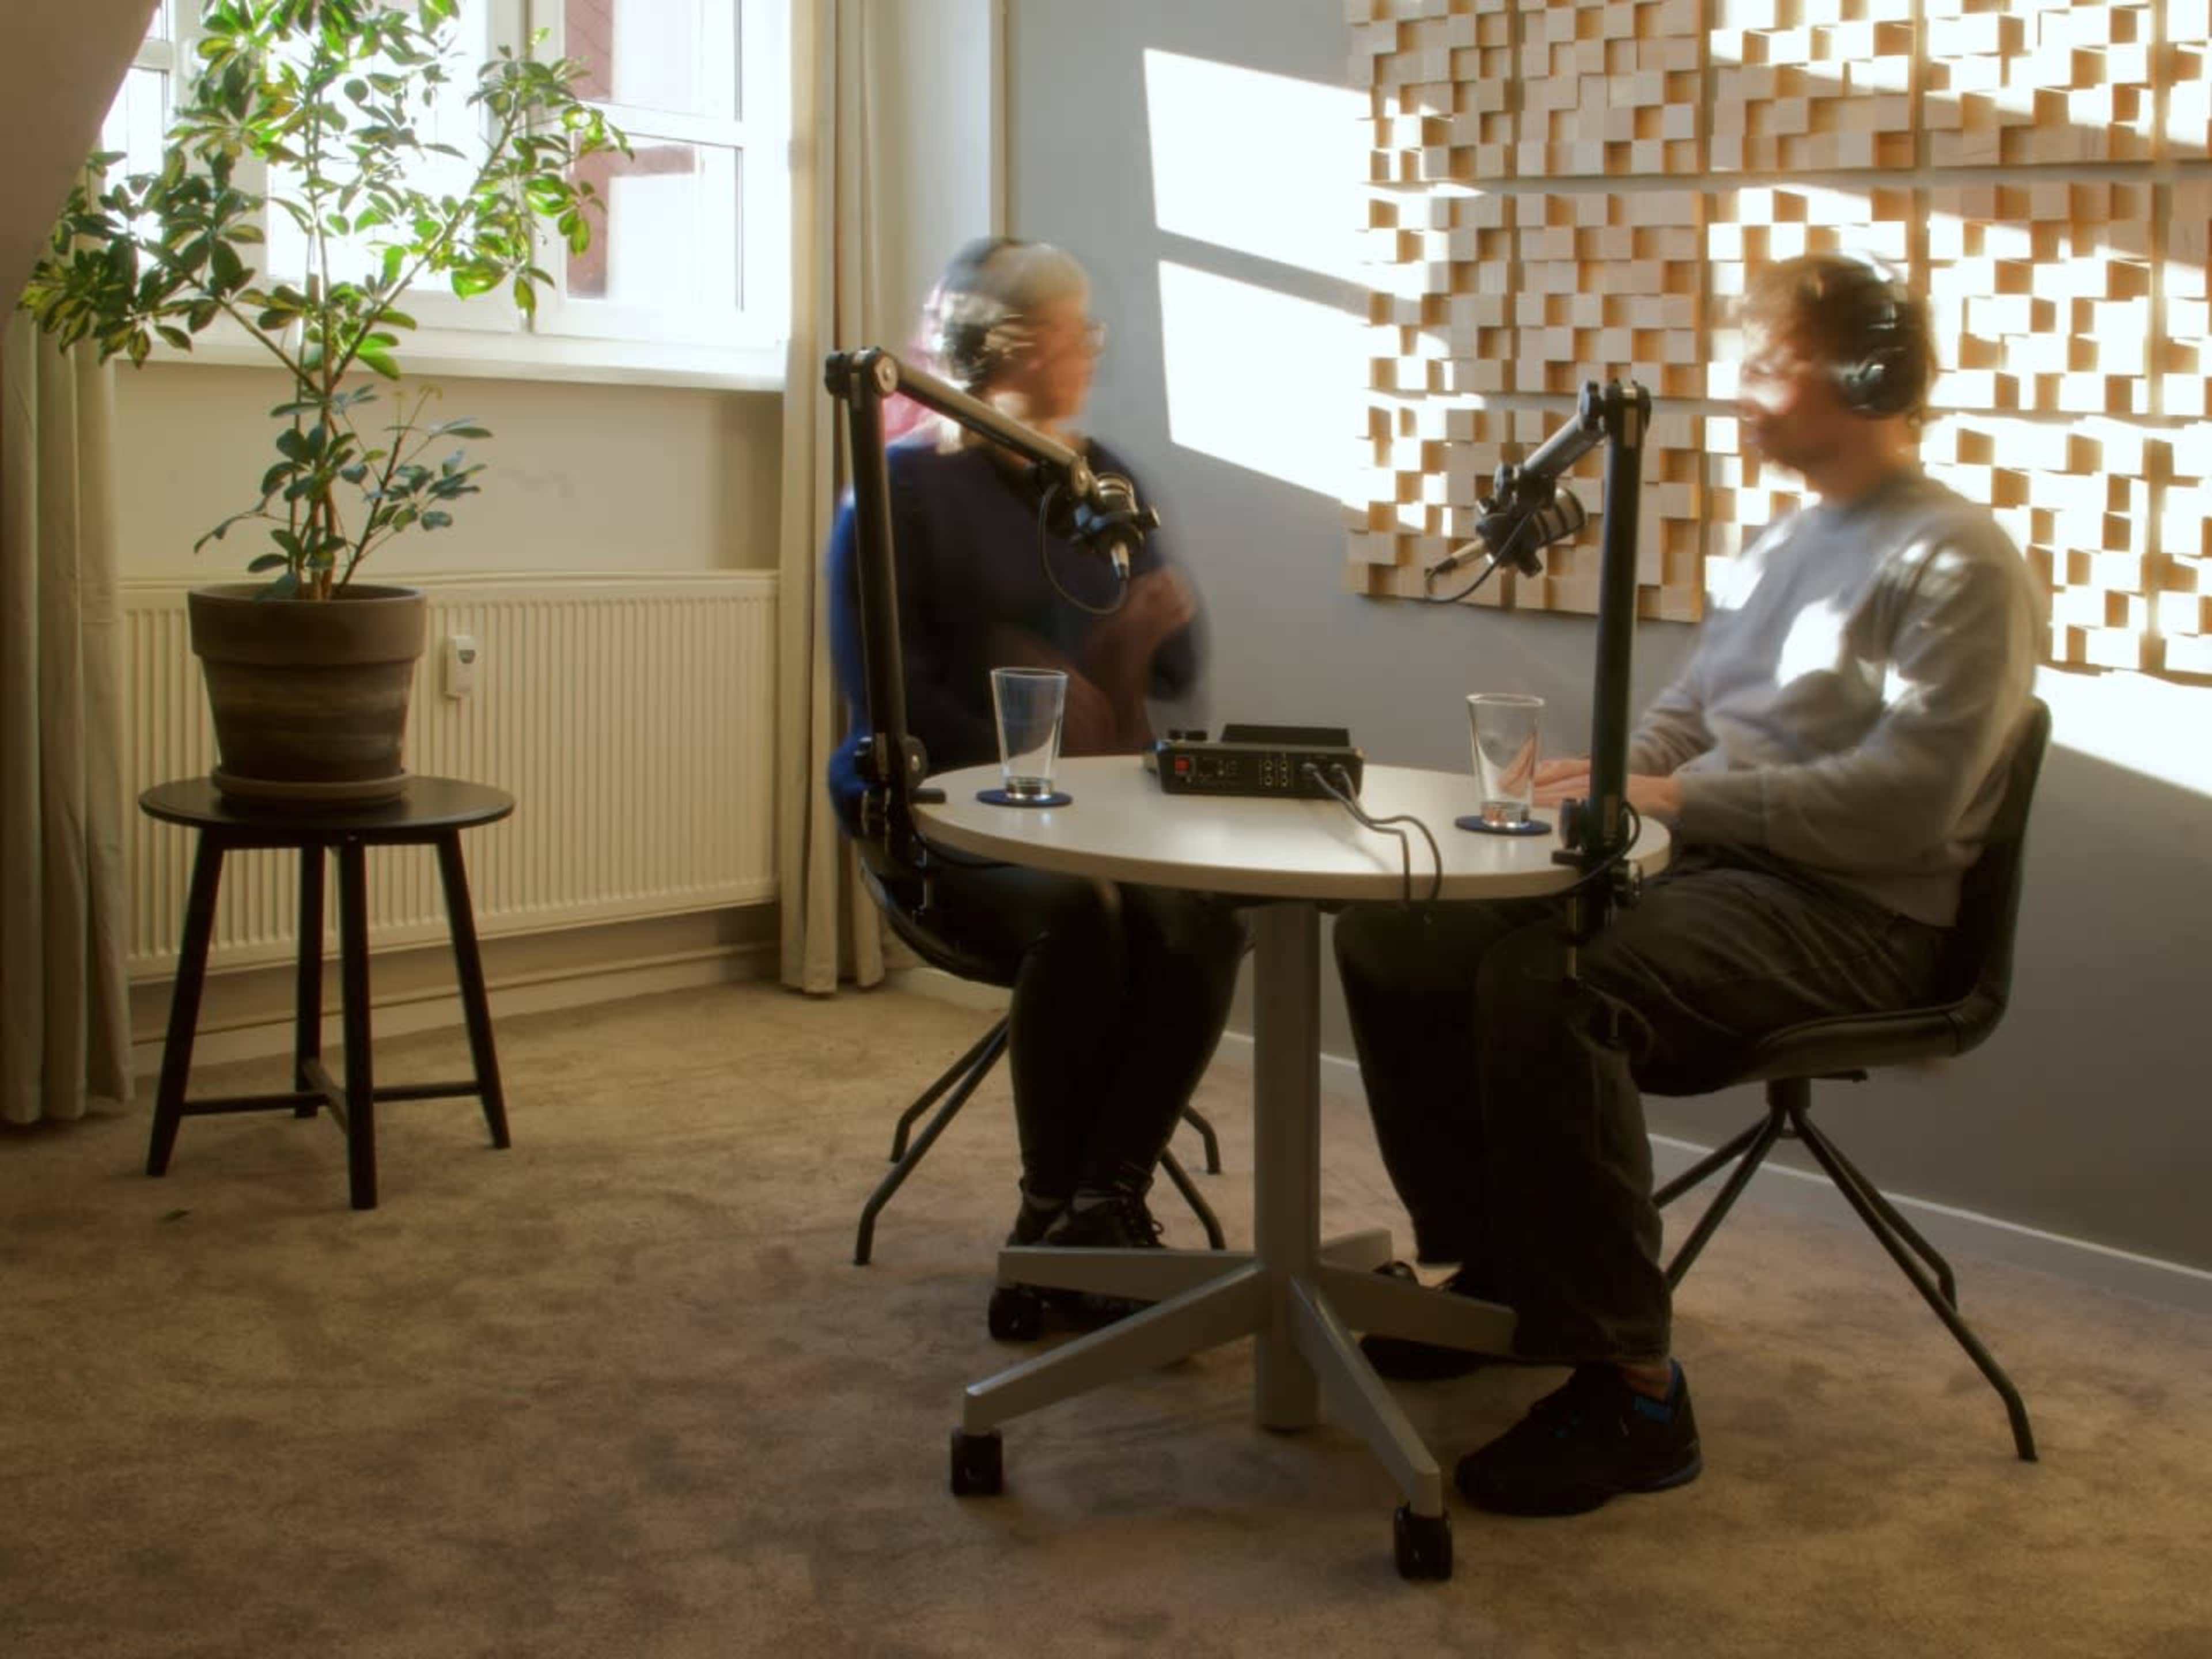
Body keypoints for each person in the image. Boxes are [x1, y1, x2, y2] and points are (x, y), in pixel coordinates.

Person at [1332, 252, 2044, 1516]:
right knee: (1407, 938)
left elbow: (1912, 802)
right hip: (1717, 870)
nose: (1741, 390)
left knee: (1551, 982)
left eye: (1771, 363)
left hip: (1860, 916)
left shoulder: (1960, 561)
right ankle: (1498, 1276)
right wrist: (1602, 773)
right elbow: (1686, 715)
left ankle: (1633, 1385)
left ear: (1869, 377)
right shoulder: (1779, 545)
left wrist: (1670, 800)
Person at [826, 237, 1247, 1330]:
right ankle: (1046, 1214)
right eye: (1078, 332)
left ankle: (1102, 1211)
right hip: (942, 818)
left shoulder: (1096, 480)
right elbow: (889, 705)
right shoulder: (901, 489)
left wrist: (1137, 639)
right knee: (1089, 913)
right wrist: (1048, 717)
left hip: (1100, 810)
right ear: (1015, 348)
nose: (1093, 353)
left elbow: (1173, 675)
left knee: (1203, 915)